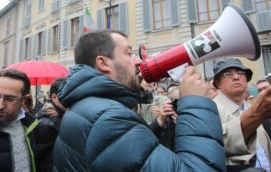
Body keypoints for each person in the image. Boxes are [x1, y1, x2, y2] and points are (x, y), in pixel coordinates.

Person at [53, 30, 225, 171]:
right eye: (129, 53)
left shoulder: (87, 108)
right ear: (103, 63)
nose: (139, 61)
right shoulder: (109, 120)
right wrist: (196, 103)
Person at [212, 58, 271, 171]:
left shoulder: (253, 106)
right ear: (218, 83)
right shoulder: (210, 110)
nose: (236, 77)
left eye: (241, 73)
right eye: (227, 74)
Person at [34, 77, 67, 172]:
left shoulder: (64, 115)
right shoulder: (45, 125)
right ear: (54, 97)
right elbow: (38, 160)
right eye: (67, 94)